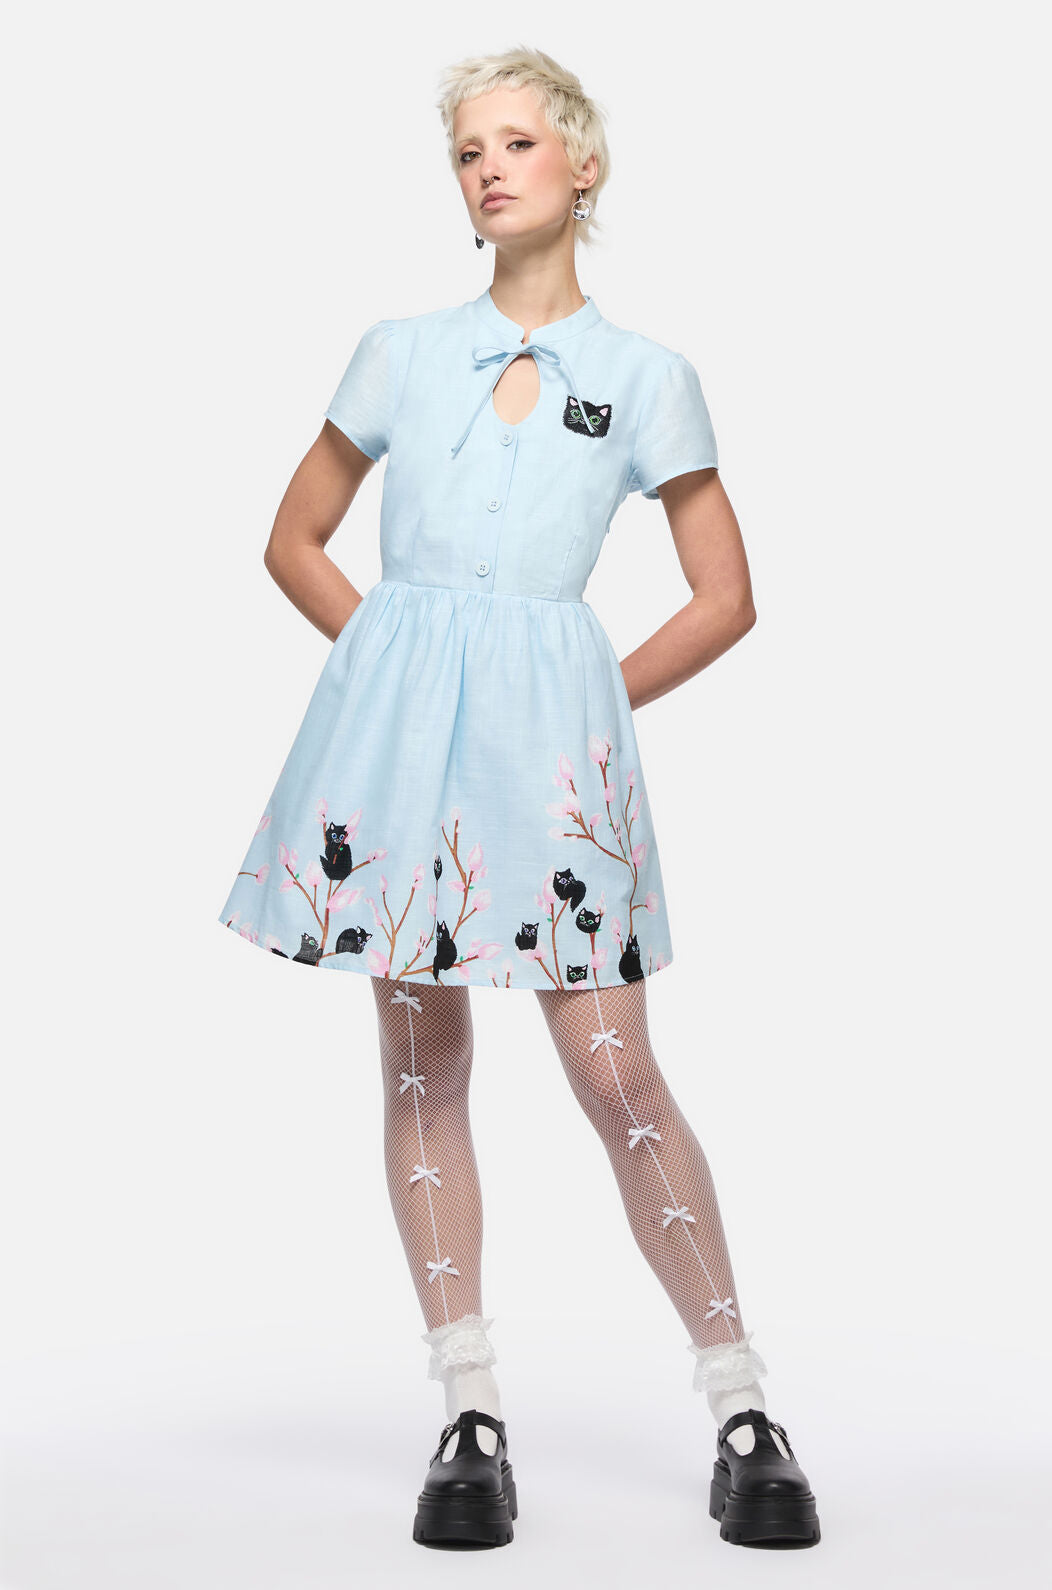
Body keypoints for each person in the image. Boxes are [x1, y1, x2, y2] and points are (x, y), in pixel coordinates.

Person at [216, 44, 821, 1551]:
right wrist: (395, 677)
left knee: (616, 1072)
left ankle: (743, 1405)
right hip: (400, 763)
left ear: (582, 165)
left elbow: (727, 596)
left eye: (516, 143)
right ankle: (468, 1412)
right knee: (423, 1065)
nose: (488, 168)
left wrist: (584, 698)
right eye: (466, 152)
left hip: (551, 765)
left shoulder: (648, 377)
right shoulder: (402, 350)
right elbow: (294, 538)